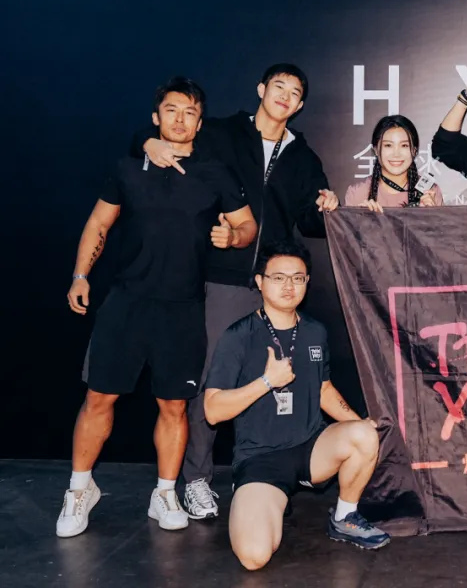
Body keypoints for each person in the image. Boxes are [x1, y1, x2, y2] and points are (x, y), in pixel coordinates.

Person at [135, 63, 339, 519]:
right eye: (279, 86)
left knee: (273, 384)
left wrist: (326, 206)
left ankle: (266, 472)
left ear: (300, 105)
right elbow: (164, 139)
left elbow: (309, 223)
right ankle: (196, 480)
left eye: (295, 92)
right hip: (220, 279)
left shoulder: (303, 157)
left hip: (274, 289)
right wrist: (146, 143)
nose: (285, 96)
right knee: (212, 382)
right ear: (262, 89)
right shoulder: (221, 133)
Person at [57, 78, 257, 538]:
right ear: (156, 117)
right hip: (126, 302)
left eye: (190, 113)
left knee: (174, 406)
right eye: (172, 110)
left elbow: (247, 225)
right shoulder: (129, 167)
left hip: (183, 309)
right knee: (99, 398)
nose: (180, 120)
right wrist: (80, 275)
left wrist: (233, 236)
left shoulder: (215, 172)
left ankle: (165, 492)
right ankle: (79, 489)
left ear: (200, 123)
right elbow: (98, 222)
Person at [204, 240, 389, 570]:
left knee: (363, 434)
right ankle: (264, 499)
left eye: (297, 278)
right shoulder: (239, 336)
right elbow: (213, 410)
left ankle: (345, 516)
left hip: (311, 448)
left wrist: (358, 423)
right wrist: (266, 382)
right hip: (261, 459)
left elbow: (324, 390)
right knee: (254, 557)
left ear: (307, 282)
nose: (289, 286)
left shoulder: (315, 332)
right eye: (278, 278)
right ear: (260, 282)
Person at [344, 115, 443, 210]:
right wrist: (362, 218)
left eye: (404, 145)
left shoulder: (429, 192)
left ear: (414, 151)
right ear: (376, 150)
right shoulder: (357, 193)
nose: (396, 154)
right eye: (388, 145)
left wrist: (430, 215)